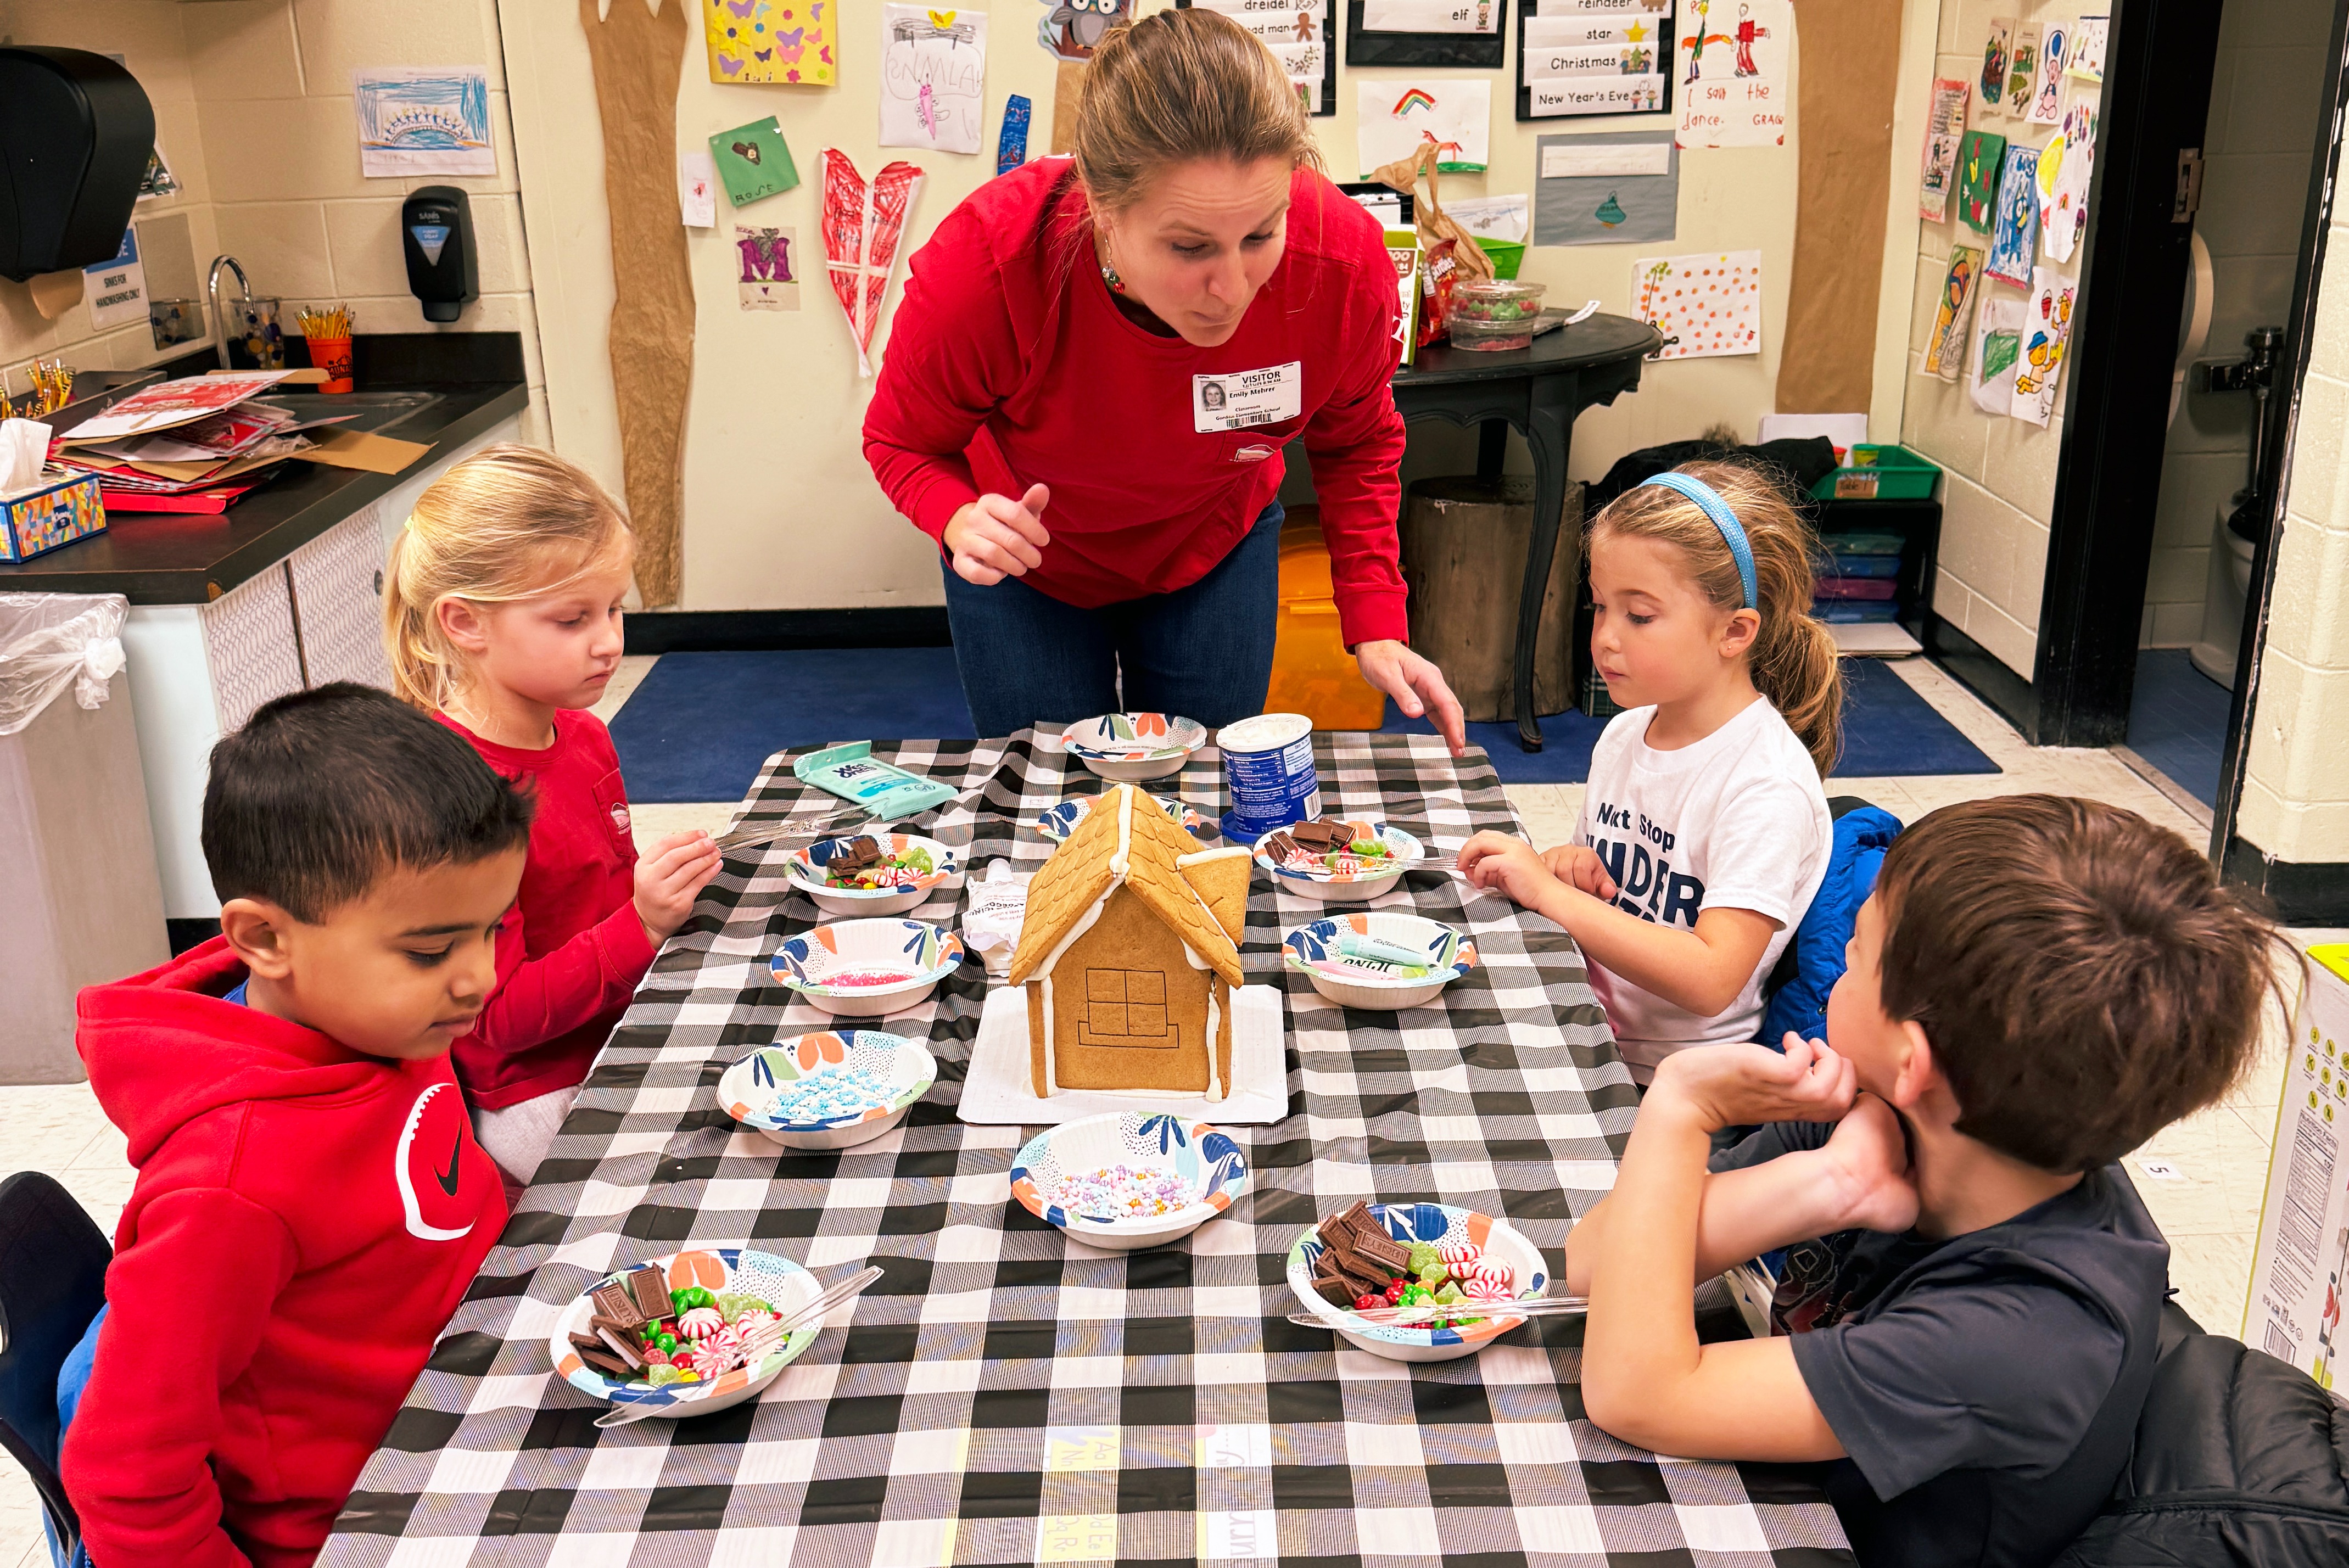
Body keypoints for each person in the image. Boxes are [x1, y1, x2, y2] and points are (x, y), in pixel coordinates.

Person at [1559, 795, 2284, 1566]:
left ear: (1912, 1061)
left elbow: (1633, 1394)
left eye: (1856, 950)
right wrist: (1824, 1184)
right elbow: (1593, 1263)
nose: (1834, 960)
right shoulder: (1892, 1115)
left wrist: (1679, 1106)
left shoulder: (2022, 1334)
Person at [864, 7, 1464, 749]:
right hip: (1031, 563)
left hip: (1213, 546)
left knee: (1203, 801)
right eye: (1189, 247)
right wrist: (954, 515)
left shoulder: (1342, 263)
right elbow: (901, 443)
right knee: (1045, 802)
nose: (1234, 287)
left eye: (1260, 235)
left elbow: (1358, 442)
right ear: (1103, 211)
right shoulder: (990, 263)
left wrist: (1374, 618)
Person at [60, 685, 527, 1568]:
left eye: (491, 932)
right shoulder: (230, 1186)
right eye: (432, 950)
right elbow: (123, 1471)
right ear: (264, 940)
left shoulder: (379, 1015)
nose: (479, 979)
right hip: (367, 1520)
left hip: (477, 1406)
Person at [383, 446, 722, 1193]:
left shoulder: (584, 735)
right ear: (465, 622)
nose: (609, 641)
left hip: (615, 1024)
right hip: (535, 1088)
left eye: (613, 608)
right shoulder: (453, 799)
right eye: (572, 619)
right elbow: (494, 1022)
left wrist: (654, 888)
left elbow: (588, 898)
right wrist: (641, 923)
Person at [1457, 462, 1837, 1079]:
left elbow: (1713, 979)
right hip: (1587, 1026)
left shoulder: (1765, 784)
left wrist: (1550, 895)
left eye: (1639, 616)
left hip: (1674, 1083)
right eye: (1600, 607)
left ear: (1734, 632)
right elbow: (1613, 897)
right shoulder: (1625, 734)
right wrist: (1568, 868)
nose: (1605, 638)